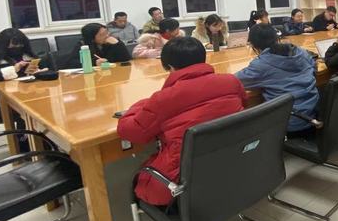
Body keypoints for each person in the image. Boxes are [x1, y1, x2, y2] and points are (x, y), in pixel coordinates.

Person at [118, 37, 246, 206]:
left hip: (182, 179)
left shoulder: (163, 99)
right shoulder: (231, 81)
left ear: (170, 67)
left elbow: (132, 133)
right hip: (233, 161)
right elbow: (244, 105)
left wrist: (140, 105)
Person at [235, 23, 319, 137]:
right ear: (277, 37)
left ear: (253, 45)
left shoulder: (261, 65)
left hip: (290, 123)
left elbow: (235, 81)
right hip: (314, 114)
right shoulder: (300, 51)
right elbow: (314, 67)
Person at [0, 29, 46, 123]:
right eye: (14, 45)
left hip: (23, 93)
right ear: (3, 44)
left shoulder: (25, 54)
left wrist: (36, 72)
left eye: (20, 45)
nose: (17, 48)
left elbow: (25, 74)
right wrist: (14, 69)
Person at [61, 23, 132, 68]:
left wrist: (118, 44)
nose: (107, 35)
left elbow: (126, 60)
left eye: (106, 32)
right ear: (92, 38)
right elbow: (72, 63)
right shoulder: (83, 45)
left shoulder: (111, 42)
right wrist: (94, 62)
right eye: (102, 34)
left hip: (113, 74)